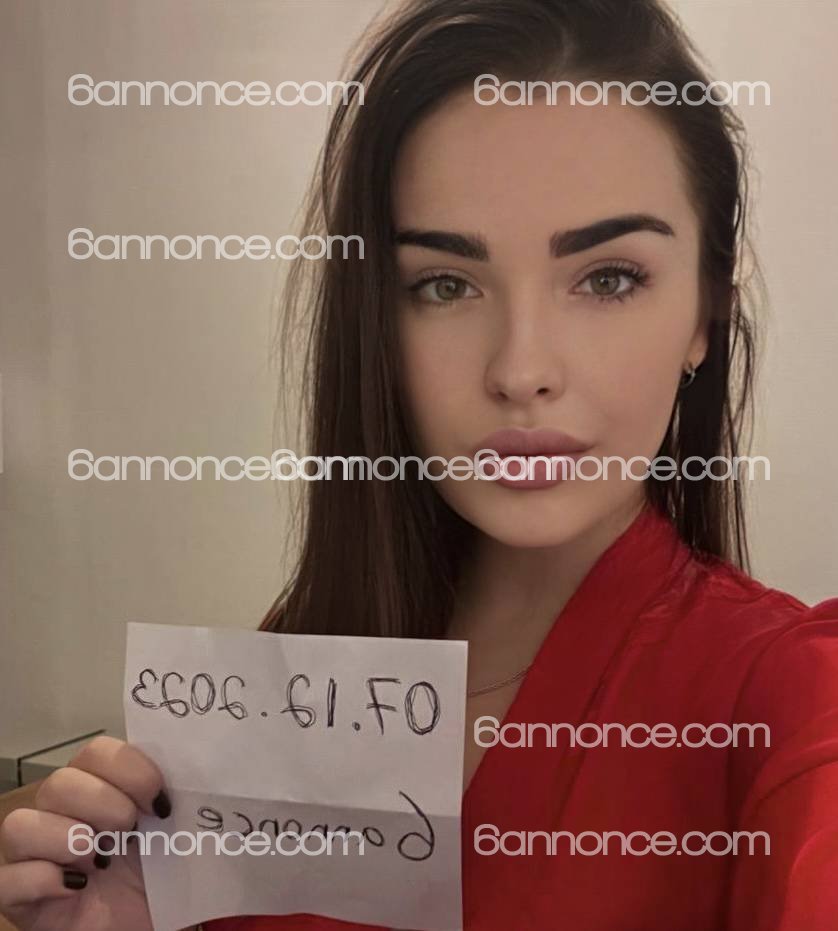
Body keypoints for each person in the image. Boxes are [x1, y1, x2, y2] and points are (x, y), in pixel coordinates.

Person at [2, 0, 837, 929]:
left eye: (608, 278)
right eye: (445, 284)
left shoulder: (789, 701)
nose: (521, 369)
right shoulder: (301, 662)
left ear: (705, 315)